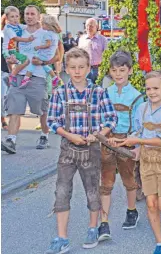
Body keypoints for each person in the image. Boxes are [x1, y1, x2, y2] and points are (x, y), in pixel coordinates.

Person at [45, 47, 117, 254]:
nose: (77, 71)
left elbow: (111, 118)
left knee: (93, 190)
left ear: (88, 68)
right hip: (67, 149)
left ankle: (93, 228)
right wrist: (69, 135)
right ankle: (62, 237)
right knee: (61, 192)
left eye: (81, 67)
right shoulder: (60, 92)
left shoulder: (98, 92)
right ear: (66, 68)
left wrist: (98, 134)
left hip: (90, 149)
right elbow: (52, 120)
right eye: (73, 67)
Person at [111, 70, 161, 254]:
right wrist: (125, 141)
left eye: (156, 88)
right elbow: (137, 132)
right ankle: (159, 243)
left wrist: (138, 142)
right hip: (146, 162)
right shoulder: (142, 108)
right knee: (151, 204)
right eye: (148, 88)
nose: (151, 92)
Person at [1, 5, 60, 154]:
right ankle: (11, 140)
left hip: (38, 77)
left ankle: (44, 135)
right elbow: (9, 46)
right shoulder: (18, 30)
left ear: (38, 15)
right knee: (15, 108)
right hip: (19, 75)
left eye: (32, 14)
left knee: (41, 110)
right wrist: (10, 58)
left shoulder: (46, 32)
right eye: (26, 14)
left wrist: (44, 62)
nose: (29, 16)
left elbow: (59, 55)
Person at [98, 50, 144, 241]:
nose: (118, 74)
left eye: (122, 70)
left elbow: (139, 123)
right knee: (106, 182)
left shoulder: (136, 96)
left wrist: (134, 142)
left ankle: (131, 211)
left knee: (129, 179)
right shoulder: (104, 93)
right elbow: (99, 117)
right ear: (110, 71)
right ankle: (104, 223)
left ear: (130, 71)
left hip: (126, 141)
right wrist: (102, 134)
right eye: (114, 70)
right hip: (107, 141)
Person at [20, 14, 62, 89]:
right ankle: (54, 78)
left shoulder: (47, 34)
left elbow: (48, 44)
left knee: (33, 61)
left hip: (45, 54)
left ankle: (26, 79)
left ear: (48, 25)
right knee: (44, 65)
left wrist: (38, 47)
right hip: (50, 55)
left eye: (43, 24)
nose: (42, 25)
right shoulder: (55, 34)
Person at [2, 6, 34, 86]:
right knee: (26, 60)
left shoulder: (18, 26)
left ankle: (11, 76)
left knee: (18, 62)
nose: (15, 18)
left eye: (16, 16)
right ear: (7, 18)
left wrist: (36, 24)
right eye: (12, 17)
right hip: (8, 51)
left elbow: (28, 26)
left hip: (14, 50)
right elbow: (16, 38)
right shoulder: (8, 28)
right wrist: (28, 39)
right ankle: (12, 76)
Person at [78, 18, 108, 84]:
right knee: (85, 90)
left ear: (96, 27)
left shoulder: (102, 39)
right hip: (85, 69)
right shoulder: (82, 39)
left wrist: (103, 68)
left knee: (98, 90)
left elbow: (107, 55)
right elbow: (79, 55)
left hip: (98, 69)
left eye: (91, 26)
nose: (89, 28)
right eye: (87, 26)